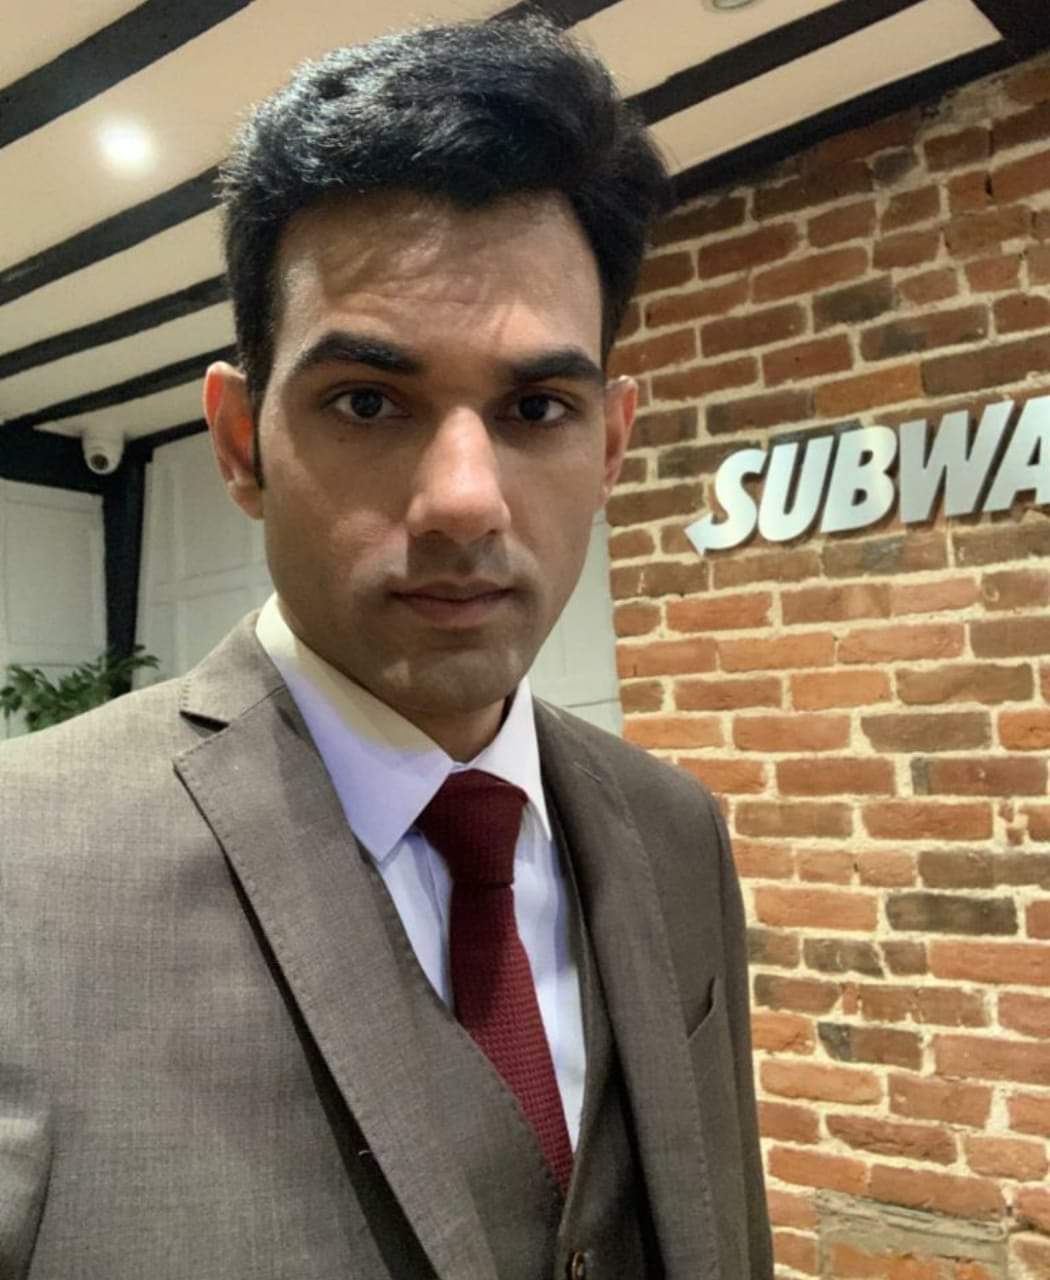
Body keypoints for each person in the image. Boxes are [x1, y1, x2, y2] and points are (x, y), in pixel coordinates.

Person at [0, 15, 771, 1279]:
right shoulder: (21, 874)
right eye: (367, 400)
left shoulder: (674, 830)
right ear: (242, 442)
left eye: (538, 406)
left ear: (610, 445)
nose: (464, 499)